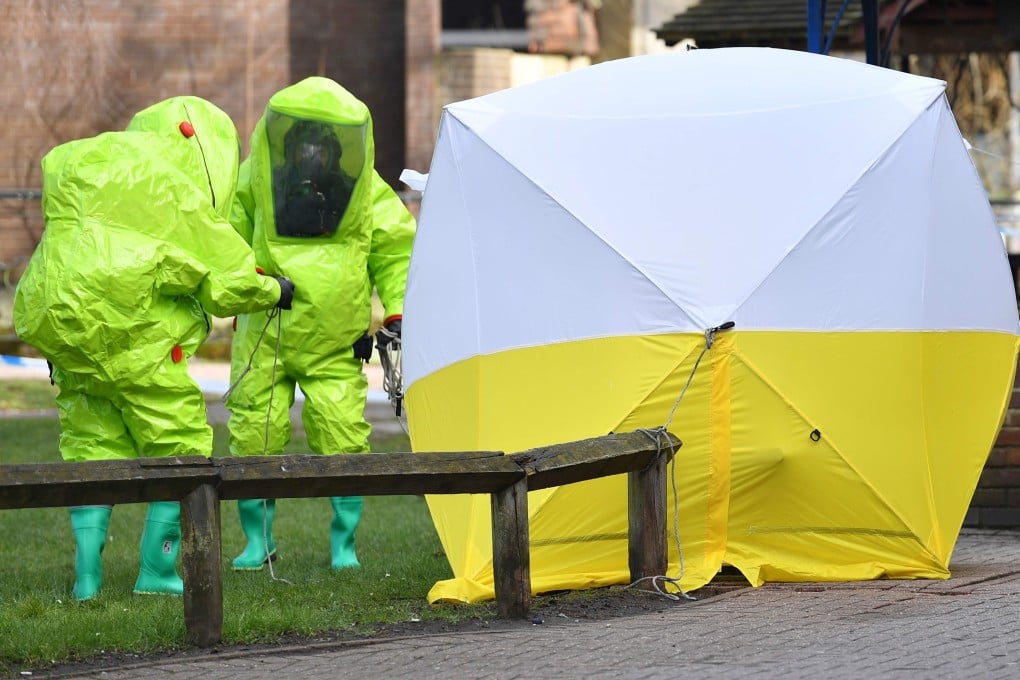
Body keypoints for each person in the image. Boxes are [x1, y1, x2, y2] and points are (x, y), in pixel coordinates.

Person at [13, 96, 294, 601]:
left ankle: (86, 580)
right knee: (180, 448)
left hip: (66, 329)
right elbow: (228, 280)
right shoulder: (175, 189)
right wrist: (276, 290)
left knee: (92, 446)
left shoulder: (89, 166)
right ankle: (157, 573)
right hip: (137, 337)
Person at [225, 76, 415, 572]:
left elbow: (397, 249)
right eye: (303, 146)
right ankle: (256, 541)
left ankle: (343, 545)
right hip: (266, 333)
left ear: (337, 151)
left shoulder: (363, 191)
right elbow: (226, 244)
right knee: (253, 435)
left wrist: (397, 310)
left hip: (335, 341)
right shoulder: (257, 178)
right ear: (285, 144)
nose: (312, 157)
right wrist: (243, 284)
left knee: (343, 436)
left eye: (321, 147)